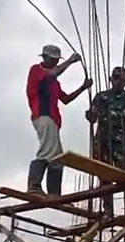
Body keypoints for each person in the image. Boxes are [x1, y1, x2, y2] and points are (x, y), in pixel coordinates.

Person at [26, 44, 93, 197]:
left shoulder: (54, 82)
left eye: (57, 60)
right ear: (45, 58)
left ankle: (54, 193)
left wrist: (83, 87)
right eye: (54, 60)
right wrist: (70, 61)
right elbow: (53, 73)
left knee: (57, 156)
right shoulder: (37, 70)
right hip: (43, 114)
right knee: (47, 151)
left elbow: (66, 99)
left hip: (52, 118)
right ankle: (34, 187)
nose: (56, 63)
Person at [85, 67, 125, 215]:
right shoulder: (101, 96)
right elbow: (92, 117)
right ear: (111, 79)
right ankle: (108, 210)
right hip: (102, 140)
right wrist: (91, 114)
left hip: (120, 141)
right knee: (104, 174)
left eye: (120, 78)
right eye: (115, 77)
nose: (117, 80)